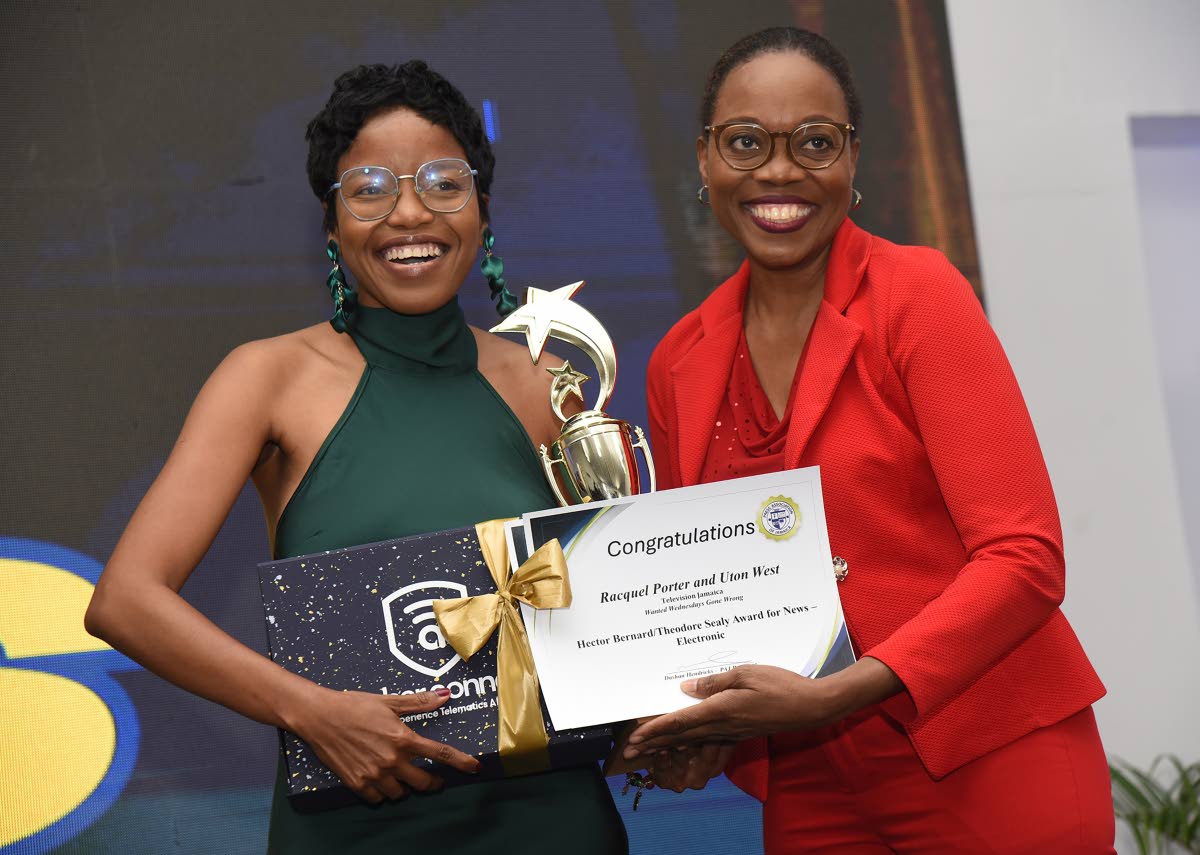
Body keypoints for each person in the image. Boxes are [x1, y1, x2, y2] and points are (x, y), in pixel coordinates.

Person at [85, 61, 627, 854]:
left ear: (482, 207)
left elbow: (613, 603)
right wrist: (310, 710)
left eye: (444, 183)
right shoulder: (267, 377)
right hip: (355, 823)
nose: (410, 212)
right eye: (370, 188)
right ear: (332, 223)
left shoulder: (550, 383)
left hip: (552, 823)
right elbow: (126, 600)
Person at [624, 27, 1115, 853]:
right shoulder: (679, 358)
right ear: (704, 158)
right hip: (809, 779)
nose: (779, 171)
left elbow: (1025, 557)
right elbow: (709, 593)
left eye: (815, 142)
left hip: (984, 745)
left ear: (853, 159)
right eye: (745, 142)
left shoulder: (917, 293)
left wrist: (836, 693)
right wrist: (704, 724)